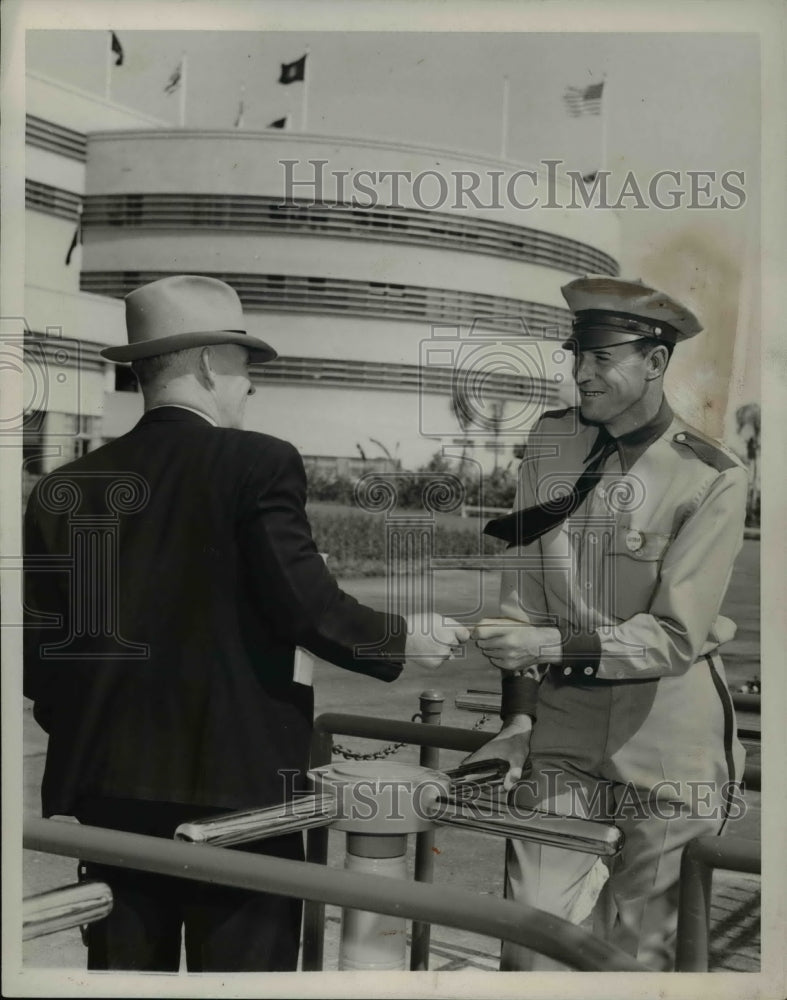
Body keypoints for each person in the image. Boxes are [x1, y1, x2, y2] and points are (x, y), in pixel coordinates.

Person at [23, 274, 469, 973]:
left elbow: (42, 662)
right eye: (243, 361)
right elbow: (306, 603)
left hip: (108, 796)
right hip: (240, 798)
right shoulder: (258, 463)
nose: (250, 382)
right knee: (240, 980)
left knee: (123, 978)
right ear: (205, 362)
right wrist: (406, 638)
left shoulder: (63, 487)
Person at [467, 275, 748, 971]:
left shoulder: (710, 476)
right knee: (527, 935)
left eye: (601, 358)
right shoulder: (553, 443)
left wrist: (549, 642)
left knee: (641, 950)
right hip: (562, 726)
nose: (579, 373)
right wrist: (518, 718)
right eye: (574, 357)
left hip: (667, 738)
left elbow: (675, 636)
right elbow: (523, 595)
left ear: (654, 362)